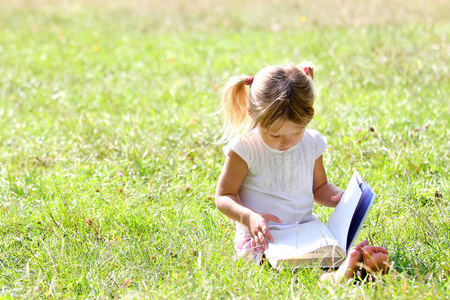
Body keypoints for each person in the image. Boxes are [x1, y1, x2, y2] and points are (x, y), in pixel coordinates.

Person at [214, 62, 389, 282]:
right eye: (275, 135)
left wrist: (341, 198)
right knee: (272, 265)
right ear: (253, 114)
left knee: (328, 251)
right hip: (262, 236)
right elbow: (224, 197)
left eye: (297, 131)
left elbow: (319, 188)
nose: (287, 142)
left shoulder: (311, 142)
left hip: (304, 232)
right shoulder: (245, 148)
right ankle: (337, 278)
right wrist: (250, 217)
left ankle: (352, 266)